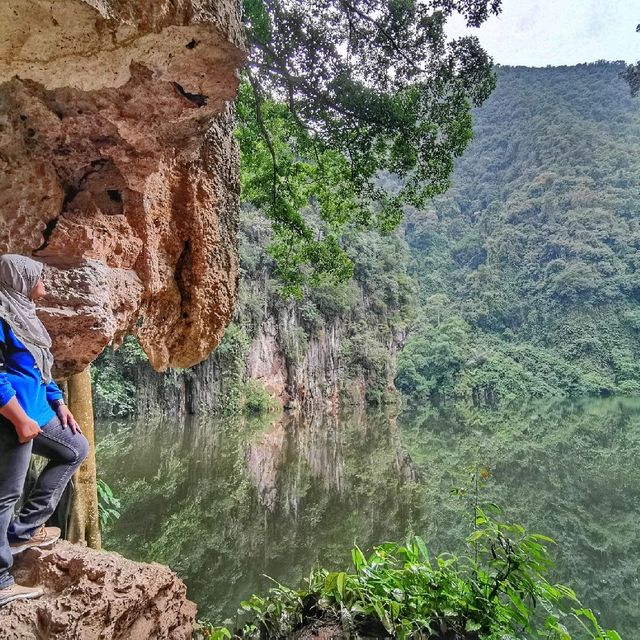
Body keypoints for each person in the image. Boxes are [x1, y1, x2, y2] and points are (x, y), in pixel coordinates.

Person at [0, 254, 90, 607]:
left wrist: (60, 403)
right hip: (13, 416)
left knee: (75, 448)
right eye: (39, 278)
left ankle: (22, 533)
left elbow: (42, 369)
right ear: (20, 280)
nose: (45, 284)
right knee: (6, 494)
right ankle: (2, 581)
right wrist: (19, 419)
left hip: (40, 411)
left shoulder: (25, 313)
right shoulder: (3, 317)